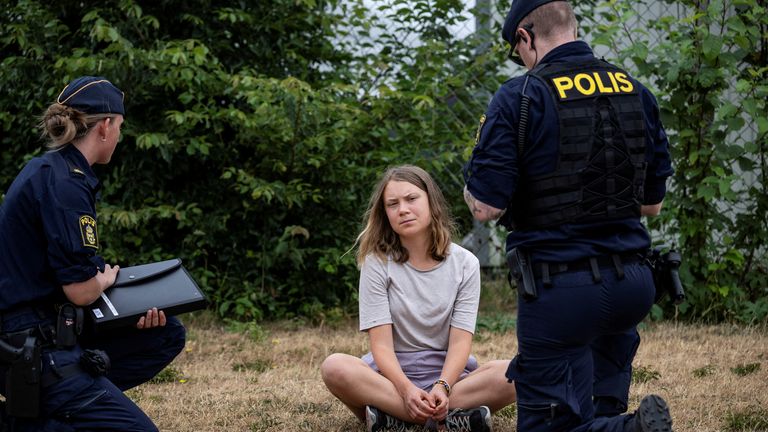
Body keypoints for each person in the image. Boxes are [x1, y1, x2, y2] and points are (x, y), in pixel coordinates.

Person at [462, 1, 675, 431]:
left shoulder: (521, 95)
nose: (520, 59)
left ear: (525, 36)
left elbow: (486, 207)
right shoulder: (635, 90)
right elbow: (652, 205)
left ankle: (631, 430)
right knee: (599, 409)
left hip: (561, 290)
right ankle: (622, 424)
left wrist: (474, 178)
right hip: (633, 285)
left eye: (516, 49)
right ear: (573, 26)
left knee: (549, 425)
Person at [0, 76, 186, 431]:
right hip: (31, 343)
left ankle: (65, 401)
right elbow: (81, 290)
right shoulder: (67, 184)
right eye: (119, 126)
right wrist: (105, 278)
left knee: (166, 334)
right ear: (104, 127)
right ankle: (37, 414)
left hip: (47, 327)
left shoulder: (48, 169)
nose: (119, 135)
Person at [321, 165, 516, 432]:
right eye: (392, 204)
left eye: (411, 199)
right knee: (335, 367)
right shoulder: (376, 263)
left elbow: (461, 343)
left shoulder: (465, 263)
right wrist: (406, 389)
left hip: (451, 381)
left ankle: (393, 419)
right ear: (385, 213)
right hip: (390, 380)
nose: (402, 209)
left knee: (516, 373)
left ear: (431, 202)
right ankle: (451, 420)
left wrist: (442, 386)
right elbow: (381, 347)